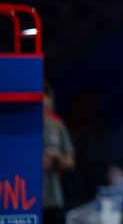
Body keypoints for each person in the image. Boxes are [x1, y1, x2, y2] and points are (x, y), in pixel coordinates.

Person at [43, 83, 75, 224]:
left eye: (47, 94)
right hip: (26, 196)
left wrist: (58, 157)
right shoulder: (23, 125)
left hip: (53, 199)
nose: (44, 99)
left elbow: (70, 161)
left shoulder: (57, 125)